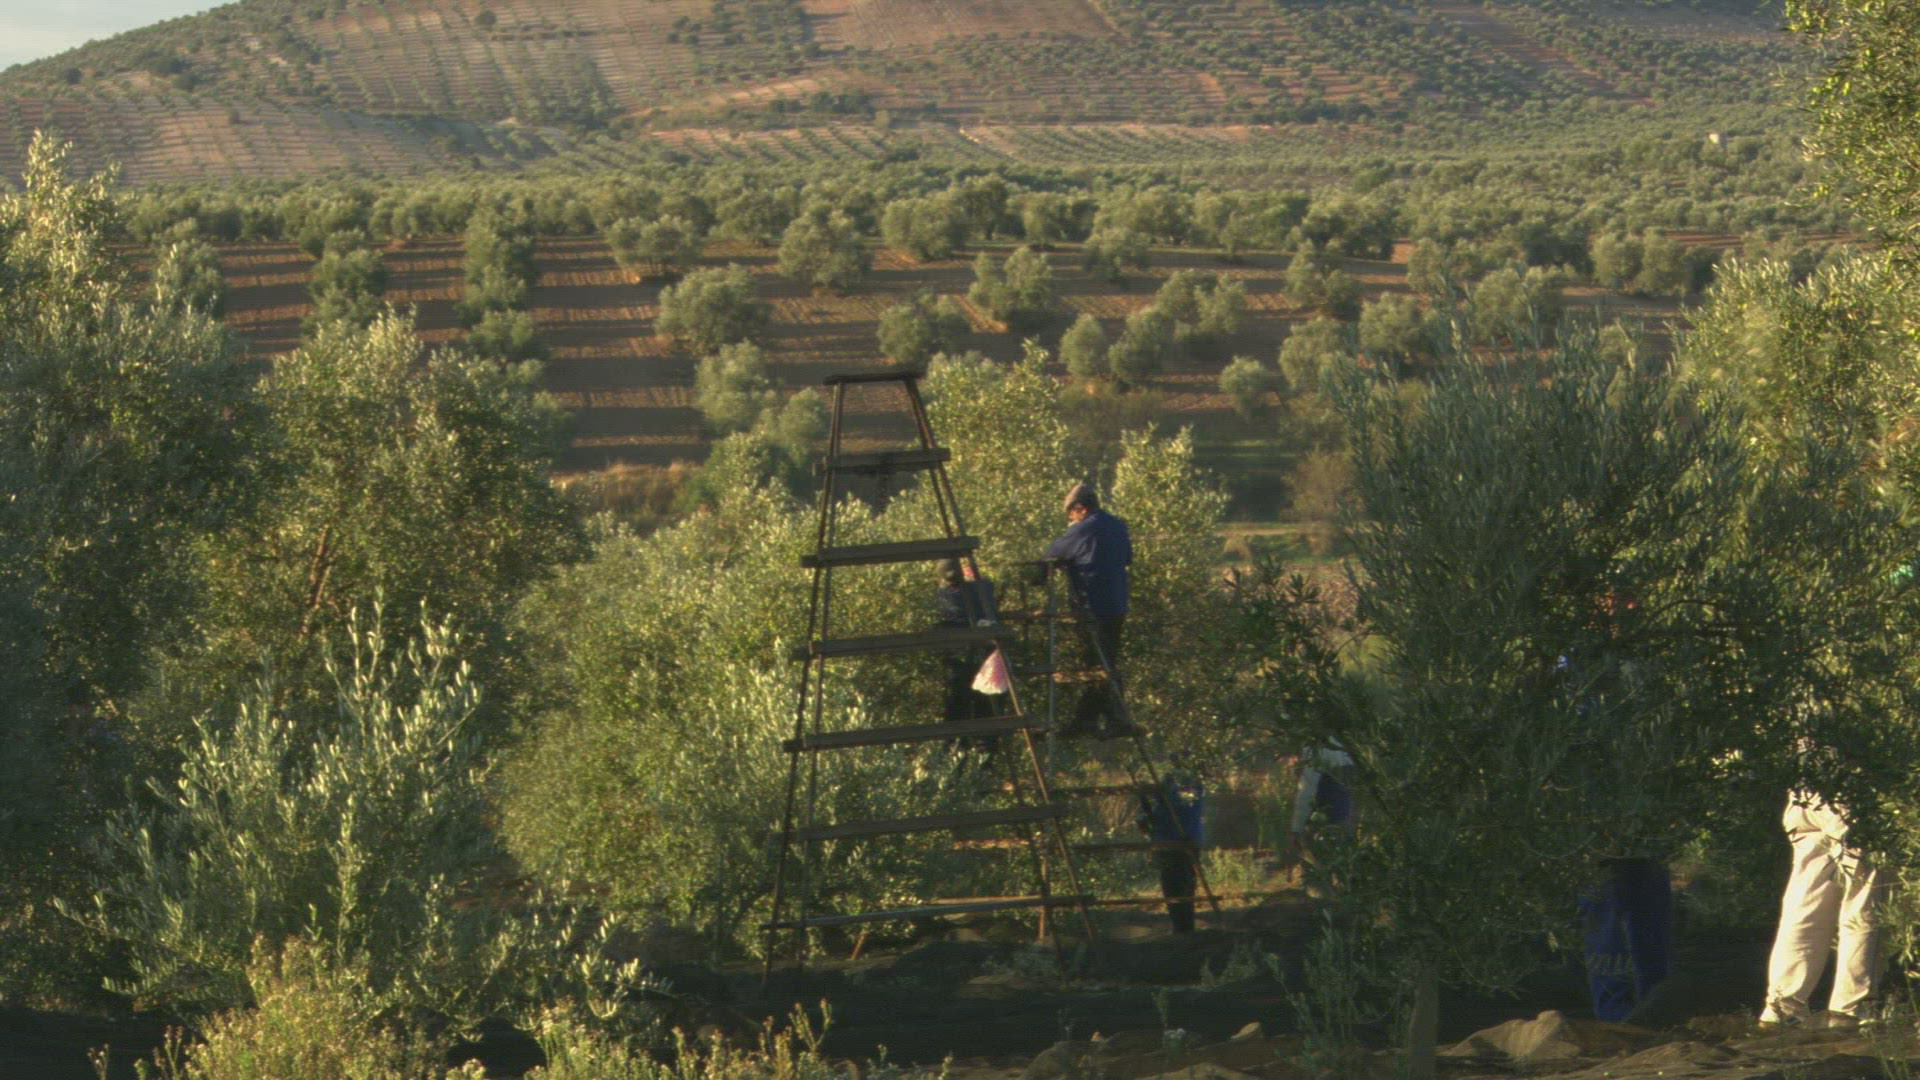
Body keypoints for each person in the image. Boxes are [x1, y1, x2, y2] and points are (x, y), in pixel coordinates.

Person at [1759, 793, 1885, 1028]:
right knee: (1862, 903)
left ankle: (1781, 1010)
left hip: (1804, 797)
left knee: (1806, 907)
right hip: (1852, 797)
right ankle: (1851, 1009)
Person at [1043, 482, 1135, 739]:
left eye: (1070, 513)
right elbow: (1128, 558)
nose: (1070, 519)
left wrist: (1037, 576)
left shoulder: (1083, 529)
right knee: (1105, 661)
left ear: (1080, 508)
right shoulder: (1117, 525)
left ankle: (1099, 720)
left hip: (1091, 605)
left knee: (1096, 665)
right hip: (1116, 604)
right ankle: (1093, 719)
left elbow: (1052, 554)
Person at [934, 558, 1000, 736]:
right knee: (985, 701)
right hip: (985, 650)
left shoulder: (944, 596)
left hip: (958, 654)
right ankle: (986, 744)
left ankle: (956, 742)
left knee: (957, 698)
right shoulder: (984, 587)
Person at [1138, 767, 1205, 933]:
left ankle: (1182, 927)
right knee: (1183, 888)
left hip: (1174, 848)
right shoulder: (1185, 802)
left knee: (1176, 889)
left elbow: (1151, 825)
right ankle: (1184, 926)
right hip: (1181, 847)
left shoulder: (1172, 806)